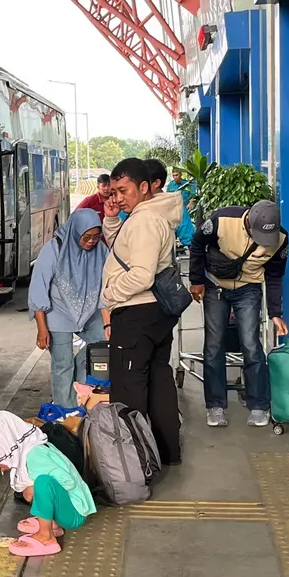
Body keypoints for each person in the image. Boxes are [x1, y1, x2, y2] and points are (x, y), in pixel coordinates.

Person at [101, 157, 184, 465]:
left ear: (145, 187)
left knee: (128, 390)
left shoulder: (145, 220)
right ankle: (166, 452)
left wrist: (109, 294)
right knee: (158, 381)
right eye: (114, 192)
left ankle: (134, 463)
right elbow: (127, 249)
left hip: (137, 315)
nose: (118, 197)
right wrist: (112, 221)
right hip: (155, 315)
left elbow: (141, 274)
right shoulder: (148, 215)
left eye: (123, 190)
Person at [189, 199, 289, 427]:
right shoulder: (221, 220)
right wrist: (196, 280)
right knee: (214, 345)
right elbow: (196, 245)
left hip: (248, 289)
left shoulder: (281, 239)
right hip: (215, 285)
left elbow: (274, 276)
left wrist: (275, 312)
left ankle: (259, 406)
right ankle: (215, 406)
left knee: (252, 346)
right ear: (249, 223)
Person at [0, 411, 95, 558]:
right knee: (36, 487)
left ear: (6, 446)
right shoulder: (30, 447)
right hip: (70, 508)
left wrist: (40, 492)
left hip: (74, 514)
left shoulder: (34, 457)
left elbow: (67, 481)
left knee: (42, 483)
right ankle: (51, 524)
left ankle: (46, 536)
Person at [28, 208, 110, 406]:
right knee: (62, 363)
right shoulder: (53, 249)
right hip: (58, 312)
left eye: (96, 237)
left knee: (101, 348)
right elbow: (38, 289)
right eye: (87, 237)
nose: (92, 241)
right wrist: (42, 328)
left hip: (90, 312)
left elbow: (105, 291)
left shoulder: (102, 252)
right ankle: (64, 407)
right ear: (75, 232)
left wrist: (108, 325)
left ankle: (80, 396)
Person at [166, 168, 196, 251]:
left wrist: (191, 203)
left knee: (186, 226)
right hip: (174, 209)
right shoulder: (170, 185)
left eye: (176, 175)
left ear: (180, 175)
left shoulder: (187, 184)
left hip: (185, 209)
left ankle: (190, 244)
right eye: (173, 176)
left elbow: (193, 196)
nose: (175, 177)